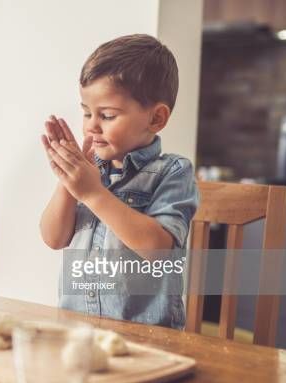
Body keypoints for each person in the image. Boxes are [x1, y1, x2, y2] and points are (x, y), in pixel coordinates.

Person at [39, 34, 199, 329]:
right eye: (87, 112)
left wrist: (93, 193)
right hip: (76, 331)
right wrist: (69, 181)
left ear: (156, 119)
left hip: (148, 340)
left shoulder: (173, 171)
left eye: (108, 115)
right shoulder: (89, 171)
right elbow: (53, 238)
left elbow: (159, 249)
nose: (91, 125)